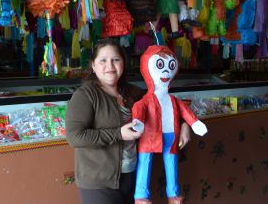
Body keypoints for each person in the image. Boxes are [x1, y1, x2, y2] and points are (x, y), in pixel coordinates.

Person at [66, 38, 192, 204]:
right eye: (103, 60)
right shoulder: (86, 95)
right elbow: (75, 137)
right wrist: (119, 134)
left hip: (132, 176)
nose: (110, 66)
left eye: (115, 60)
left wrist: (185, 124)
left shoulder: (132, 93)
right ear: (93, 66)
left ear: (123, 64)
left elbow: (164, 105)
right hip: (99, 182)